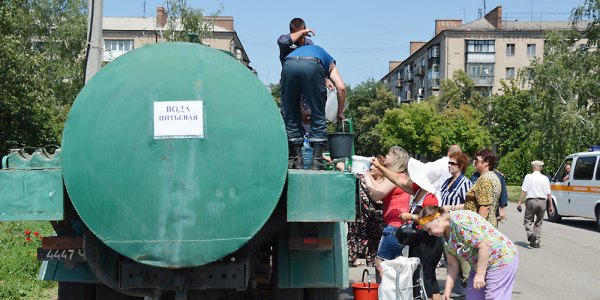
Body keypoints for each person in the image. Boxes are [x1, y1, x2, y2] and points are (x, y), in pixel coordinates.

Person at [373, 157, 443, 300]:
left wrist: (410, 216)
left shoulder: (430, 196)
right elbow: (398, 181)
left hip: (429, 239)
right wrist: (380, 167)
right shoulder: (420, 190)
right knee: (425, 275)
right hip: (420, 238)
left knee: (425, 276)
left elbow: (431, 219)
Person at [417, 206, 519, 300]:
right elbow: (452, 265)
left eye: (429, 229)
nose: (430, 233)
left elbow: (484, 245)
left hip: (500, 258)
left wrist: (480, 275)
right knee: (473, 296)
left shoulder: (459, 222)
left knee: (494, 297)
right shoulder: (444, 235)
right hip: (480, 263)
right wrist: (447, 292)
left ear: (436, 219)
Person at [280, 45, 346, 170]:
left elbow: (294, 98)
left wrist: (299, 108)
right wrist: (340, 112)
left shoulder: (299, 53)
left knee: (290, 112)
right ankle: (317, 160)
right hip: (313, 64)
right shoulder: (329, 62)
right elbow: (341, 88)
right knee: (318, 112)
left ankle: (296, 159)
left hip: (288, 65)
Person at [363, 147, 411, 280]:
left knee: (380, 263)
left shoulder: (395, 177)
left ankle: (386, 292)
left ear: (396, 159)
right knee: (392, 264)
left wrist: (365, 174)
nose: (386, 156)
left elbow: (376, 195)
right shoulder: (396, 176)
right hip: (395, 227)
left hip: (393, 227)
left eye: (389, 154)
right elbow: (377, 188)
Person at [348, 155, 384, 267]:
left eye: (375, 165)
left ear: (382, 170)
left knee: (374, 244)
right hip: (361, 218)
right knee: (356, 237)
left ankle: (373, 262)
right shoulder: (363, 177)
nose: (371, 167)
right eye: (371, 165)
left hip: (376, 220)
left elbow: (380, 200)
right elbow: (346, 166)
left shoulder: (385, 182)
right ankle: (351, 258)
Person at [456, 149, 502, 227]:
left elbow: (485, 207)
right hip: (488, 224)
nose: (474, 162)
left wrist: (477, 229)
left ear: (486, 162)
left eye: (477, 160)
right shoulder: (492, 176)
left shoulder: (485, 179)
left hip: (482, 227)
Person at [517, 160, 553, 248]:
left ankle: (530, 234)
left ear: (533, 168)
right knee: (539, 223)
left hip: (531, 201)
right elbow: (549, 194)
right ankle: (536, 242)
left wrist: (519, 202)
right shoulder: (545, 178)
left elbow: (524, 191)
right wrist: (551, 206)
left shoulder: (528, 177)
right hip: (542, 202)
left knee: (528, 221)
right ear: (540, 168)